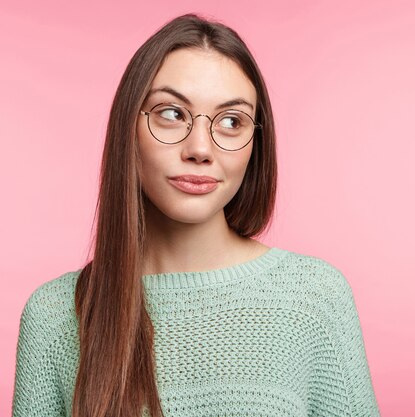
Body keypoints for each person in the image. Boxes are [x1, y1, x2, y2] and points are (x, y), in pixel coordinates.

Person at [11, 13, 380, 417]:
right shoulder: (53, 316)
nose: (200, 148)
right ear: (127, 128)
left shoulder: (315, 297)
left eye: (231, 121)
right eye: (171, 114)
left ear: (255, 144)